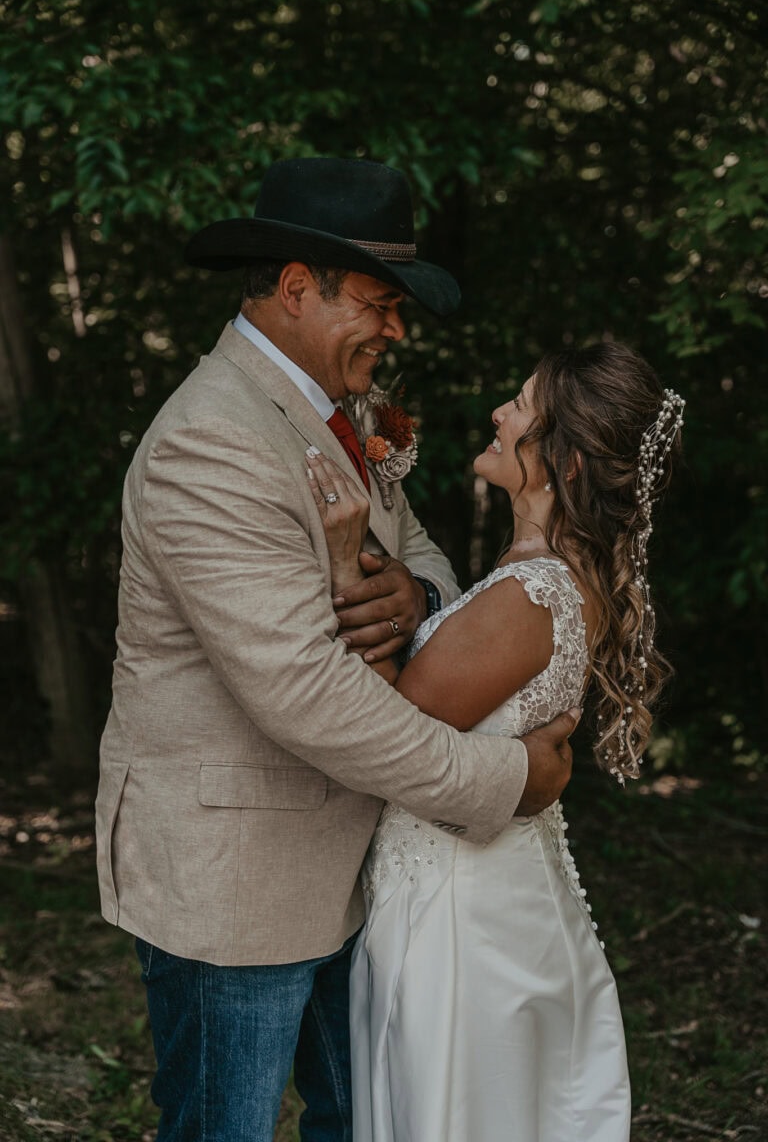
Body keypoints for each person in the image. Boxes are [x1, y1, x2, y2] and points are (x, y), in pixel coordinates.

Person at [94, 157, 578, 1142]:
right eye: (379, 303)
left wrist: (420, 594)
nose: (395, 330)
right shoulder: (211, 442)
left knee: (361, 1117)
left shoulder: (337, 413)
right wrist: (503, 779)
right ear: (294, 289)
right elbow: (302, 690)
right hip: (236, 877)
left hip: (353, 862)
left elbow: (421, 548)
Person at [305, 341, 684, 1142]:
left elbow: (390, 728)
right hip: (485, 889)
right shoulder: (549, 573)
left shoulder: (530, 593)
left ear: (563, 463)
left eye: (520, 404)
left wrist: (345, 567)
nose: (499, 412)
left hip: (459, 916)